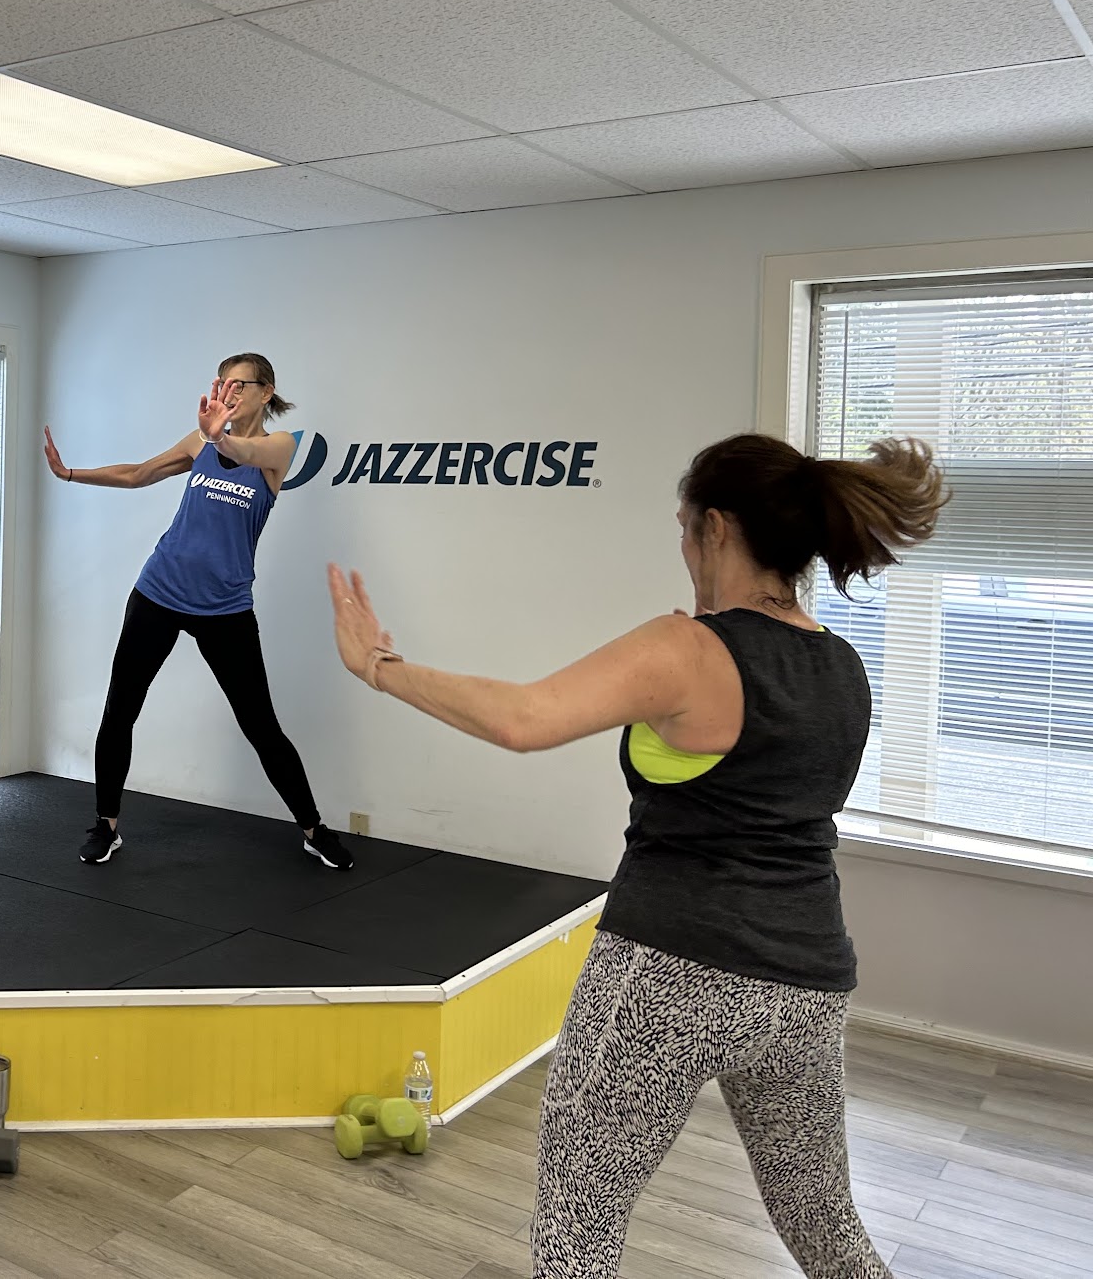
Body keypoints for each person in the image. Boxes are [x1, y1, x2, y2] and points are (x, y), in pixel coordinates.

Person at [328, 432, 947, 1279]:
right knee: (825, 1226)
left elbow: (523, 719)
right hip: (808, 984)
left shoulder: (687, 647)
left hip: (671, 972)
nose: (683, 549)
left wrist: (378, 666)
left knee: (578, 1222)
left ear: (715, 528)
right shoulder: (842, 666)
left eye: (684, 529)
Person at [46, 353, 354, 870]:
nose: (229, 392)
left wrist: (219, 437)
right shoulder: (200, 442)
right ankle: (106, 825)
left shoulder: (279, 448)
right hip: (158, 592)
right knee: (120, 710)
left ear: (266, 391)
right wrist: (71, 473)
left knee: (261, 726)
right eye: (223, 383)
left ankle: (313, 829)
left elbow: (244, 448)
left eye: (240, 384)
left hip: (225, 607)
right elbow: (139, 473)